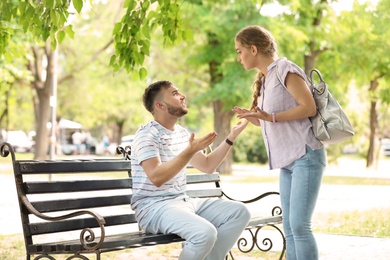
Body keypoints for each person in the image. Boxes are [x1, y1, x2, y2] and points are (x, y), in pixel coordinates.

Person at [233, 25, 327, 260]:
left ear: (253, 49)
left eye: (239, 51)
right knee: (290, 228)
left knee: (300, 227)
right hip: (287, 162)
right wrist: (255, 117)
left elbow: (309, 107)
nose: (238, 57)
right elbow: (271, 122)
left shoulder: (285, 69)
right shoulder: (265, 79)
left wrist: (270, 116)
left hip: (305, 155)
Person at [130, 80, 251, 260]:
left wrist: (231, 137)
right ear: (160, 105)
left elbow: (208, 165)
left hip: (182, 202)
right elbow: (156, 177)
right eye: (175, 93)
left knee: (240, 213)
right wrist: (189, 151)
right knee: (205, 233)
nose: (182, 95)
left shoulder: (180, 132)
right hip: (153, 208)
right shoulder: (147, 135)